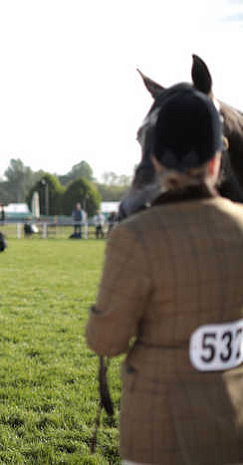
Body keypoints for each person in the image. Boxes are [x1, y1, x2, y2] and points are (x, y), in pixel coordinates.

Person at [85, 85, 243, 464]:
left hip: (158, 432)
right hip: (232, 426)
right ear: (216, 160)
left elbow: (106, 341)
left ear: (154, 160)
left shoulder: (134, 237)